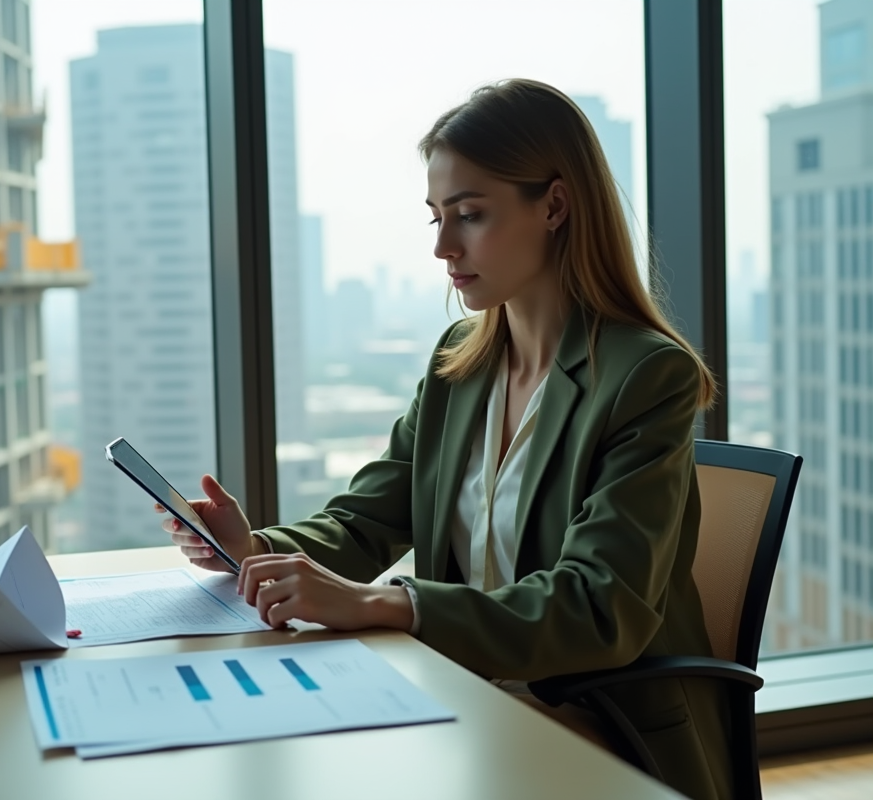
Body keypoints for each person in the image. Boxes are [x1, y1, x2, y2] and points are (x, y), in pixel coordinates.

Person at [159, 79, 731, 800]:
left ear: (554, 205)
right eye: (435, 217)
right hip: (464, 693)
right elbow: (366, 519)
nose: (442, 246)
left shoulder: (648, 376)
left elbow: (597, 607)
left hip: (597, 719)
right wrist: (253, 550)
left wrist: (392, 604)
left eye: (470, 215)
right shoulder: (458, 362)